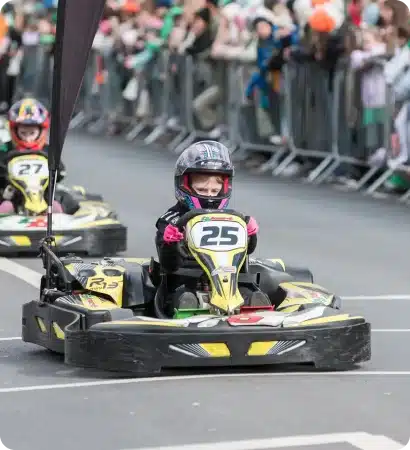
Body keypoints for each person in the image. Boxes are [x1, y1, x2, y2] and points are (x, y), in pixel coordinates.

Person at [155, 140, 270, 310]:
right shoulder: (172, 220)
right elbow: (169, 264)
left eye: (214, 191)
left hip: (229, 281)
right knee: (184, 298)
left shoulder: (232, 218)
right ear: (184, 185)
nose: (209, 195)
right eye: (202, 190)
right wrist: (170, 243)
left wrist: (251, 234)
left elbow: (248, 251)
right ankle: (189, 312)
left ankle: (253, 309)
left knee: (252, 294)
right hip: (186, 281)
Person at [0, 98, 68, 214]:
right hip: (12, 197)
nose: (28, 138)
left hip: (44, 197)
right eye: (23, 133)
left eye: (32, 133)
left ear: (41, 131)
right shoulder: (5, 149)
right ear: (14, 130)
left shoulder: (48, 150)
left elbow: (61, 172)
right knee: (6, 206)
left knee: (57, 204)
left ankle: (57, 223)